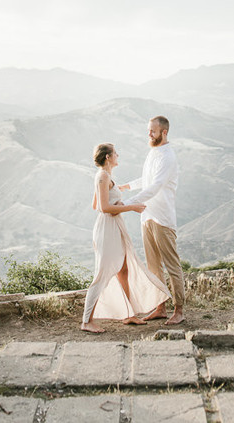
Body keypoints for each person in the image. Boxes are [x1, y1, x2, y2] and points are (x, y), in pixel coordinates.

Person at [81, 142, 170, 334]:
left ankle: (128, 314)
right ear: (108, 157)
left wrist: (117, 202)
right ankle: (86, 321)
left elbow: (96, 204)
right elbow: (104, 208)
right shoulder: (103, 176)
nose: (118, 155)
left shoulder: (105, 176)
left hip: (113, 227)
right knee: (103, 273)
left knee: (123, 269)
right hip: (107, 228)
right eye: (115, 153)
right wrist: (131, 207)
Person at [120, 116, 185, 325]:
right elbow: (146, 180)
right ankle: (160, 307)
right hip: (147, 215)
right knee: (153, 266)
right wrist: (126, 187)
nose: (149, 134)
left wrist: (129, 203)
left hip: (163, 218)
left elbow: (155, 186)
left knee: (172, 266)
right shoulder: (153, 152)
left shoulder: (168, 157)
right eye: (148, 130)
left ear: (164, 132)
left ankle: (179, 310)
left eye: (152, 131)